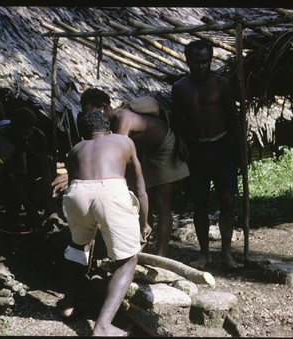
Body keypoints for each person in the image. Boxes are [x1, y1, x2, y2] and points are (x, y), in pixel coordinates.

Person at [61, 110, 151, 336]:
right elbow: (140, 188)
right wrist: (144, 222)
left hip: (76, 193)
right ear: (108, 129)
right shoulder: (124, 141)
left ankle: (69, 304)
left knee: (77, 246)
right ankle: (102, 326)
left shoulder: (75, 150)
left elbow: (72, 182)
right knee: (128, 259)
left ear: (83, 134)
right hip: (110, 192)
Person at [74, 88, 189, 257]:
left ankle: (161, 253)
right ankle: (144, 248)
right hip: (142, 154)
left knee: (161, 203)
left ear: (105, 107)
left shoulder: (122, 119)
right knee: (142, 202)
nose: (91, 118)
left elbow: (116, 153)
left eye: (93, 113)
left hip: (163, 148)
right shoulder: (107, 126)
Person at [171, 39, 245, 269]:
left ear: (210, 60)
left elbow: (234, 120)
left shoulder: (222, 85)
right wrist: (181, 141)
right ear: (188, 61)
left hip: (223, 148)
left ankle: (226, 253)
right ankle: (204, 254)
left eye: (206, 62)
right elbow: (175, 118)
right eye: (197, 62)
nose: (202, 66)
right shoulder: (180, 88)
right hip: (195, 151)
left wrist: (242, 153)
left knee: (228, 199)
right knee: (199, 202)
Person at [0, 107, 53, 232]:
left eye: (28, 132)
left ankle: (13, 220)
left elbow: (45, 169)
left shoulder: (39, 136)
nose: (25, 137)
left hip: (20, 157)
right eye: (21, 133)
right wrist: (28, 208)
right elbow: (11, 176)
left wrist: (48, 193)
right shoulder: (1, 137)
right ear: (13, 128)